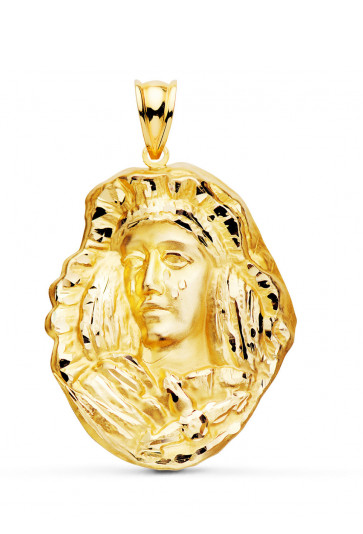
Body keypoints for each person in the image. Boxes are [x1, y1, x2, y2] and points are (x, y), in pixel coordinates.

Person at [48, 169, 295, 468]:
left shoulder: (232, 391)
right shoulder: (102, 392)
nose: (150, 282)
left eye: (175, 259)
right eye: (135, 261)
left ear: (219, 280)